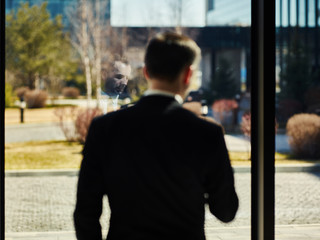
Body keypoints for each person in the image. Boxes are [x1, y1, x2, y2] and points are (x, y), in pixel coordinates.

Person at [74, 32, 238, 240]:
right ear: (188, 75)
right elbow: (225, 211)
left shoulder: (104, 128)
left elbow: (85, 212)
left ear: (146, 72)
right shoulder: (207, 133)